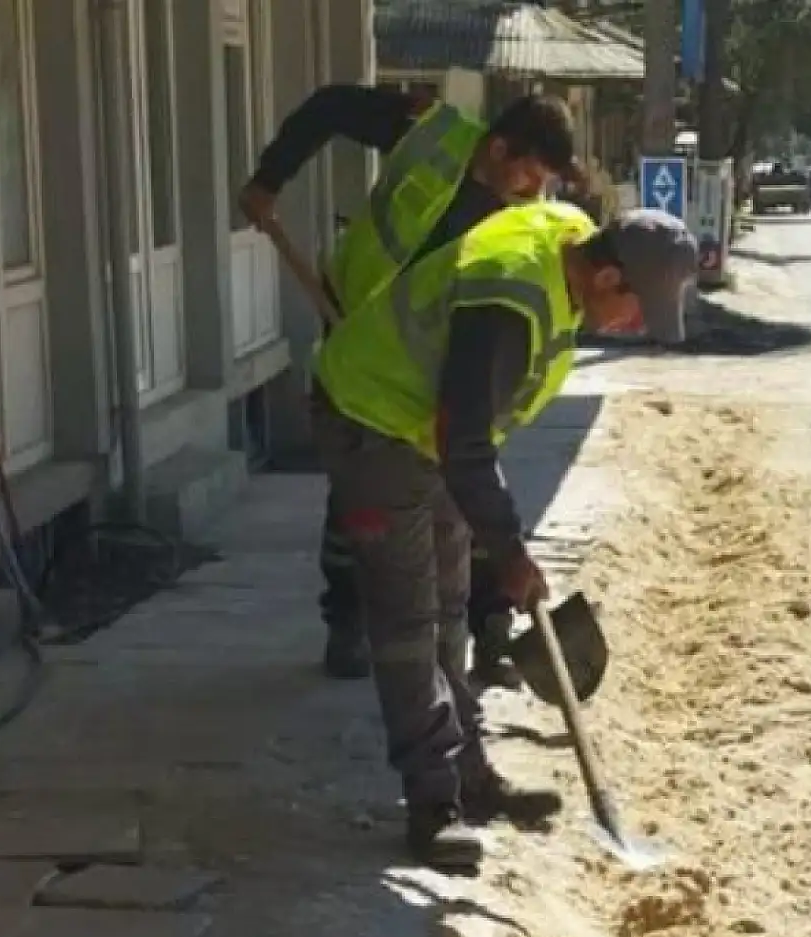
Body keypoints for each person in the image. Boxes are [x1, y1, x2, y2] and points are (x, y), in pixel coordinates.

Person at [311, 199, 698, 868]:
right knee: (408, 624)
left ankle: (468, 774)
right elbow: (461, 439)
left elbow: (463, 434)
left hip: (424, 430)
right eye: (638, 308)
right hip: (369, 419)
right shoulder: (511, 298)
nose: (634, 324)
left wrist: (501, 543)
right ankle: (432, 806)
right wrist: (511, 548)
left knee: (452, 612)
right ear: (608, 278)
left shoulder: (570, 237)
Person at [239, 85, 580, 688]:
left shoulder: (524, 218)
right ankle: (346, 621)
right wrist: (270, 179)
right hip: (360, 328)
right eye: (529, 175)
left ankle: (488, 628)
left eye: (546, 184)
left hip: (439, 359)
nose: (535, 194)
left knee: (466, 479)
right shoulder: (430, 131)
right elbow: (329, 107)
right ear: (497, 147)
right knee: (359, 486)